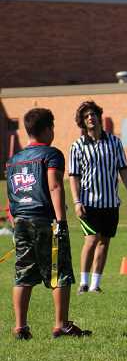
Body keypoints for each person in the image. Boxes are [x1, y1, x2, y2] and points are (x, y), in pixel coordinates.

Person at [8, 108, 91, 339]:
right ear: (47, 129)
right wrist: (61, 221)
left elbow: (12, 194)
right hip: (45, 220)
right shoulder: (51, 154)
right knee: (59, 271)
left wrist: (16, 220)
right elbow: (54, 186)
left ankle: (20, 327)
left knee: (23, 273)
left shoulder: (13, 160)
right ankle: (61, 325)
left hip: (21, 220)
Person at [68, 100, 127, 294]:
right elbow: (73, 176)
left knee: (104, 242)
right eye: (86, 116)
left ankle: (95, 285)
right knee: (91, 240)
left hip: (110, 203)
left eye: (93, 114)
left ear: (99, 116)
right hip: (88, 203)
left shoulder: (114, 142)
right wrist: (76, 202)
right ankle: (83, 282)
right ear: (82, 121)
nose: (90, 118)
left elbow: (123, 169)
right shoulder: (77, 146)